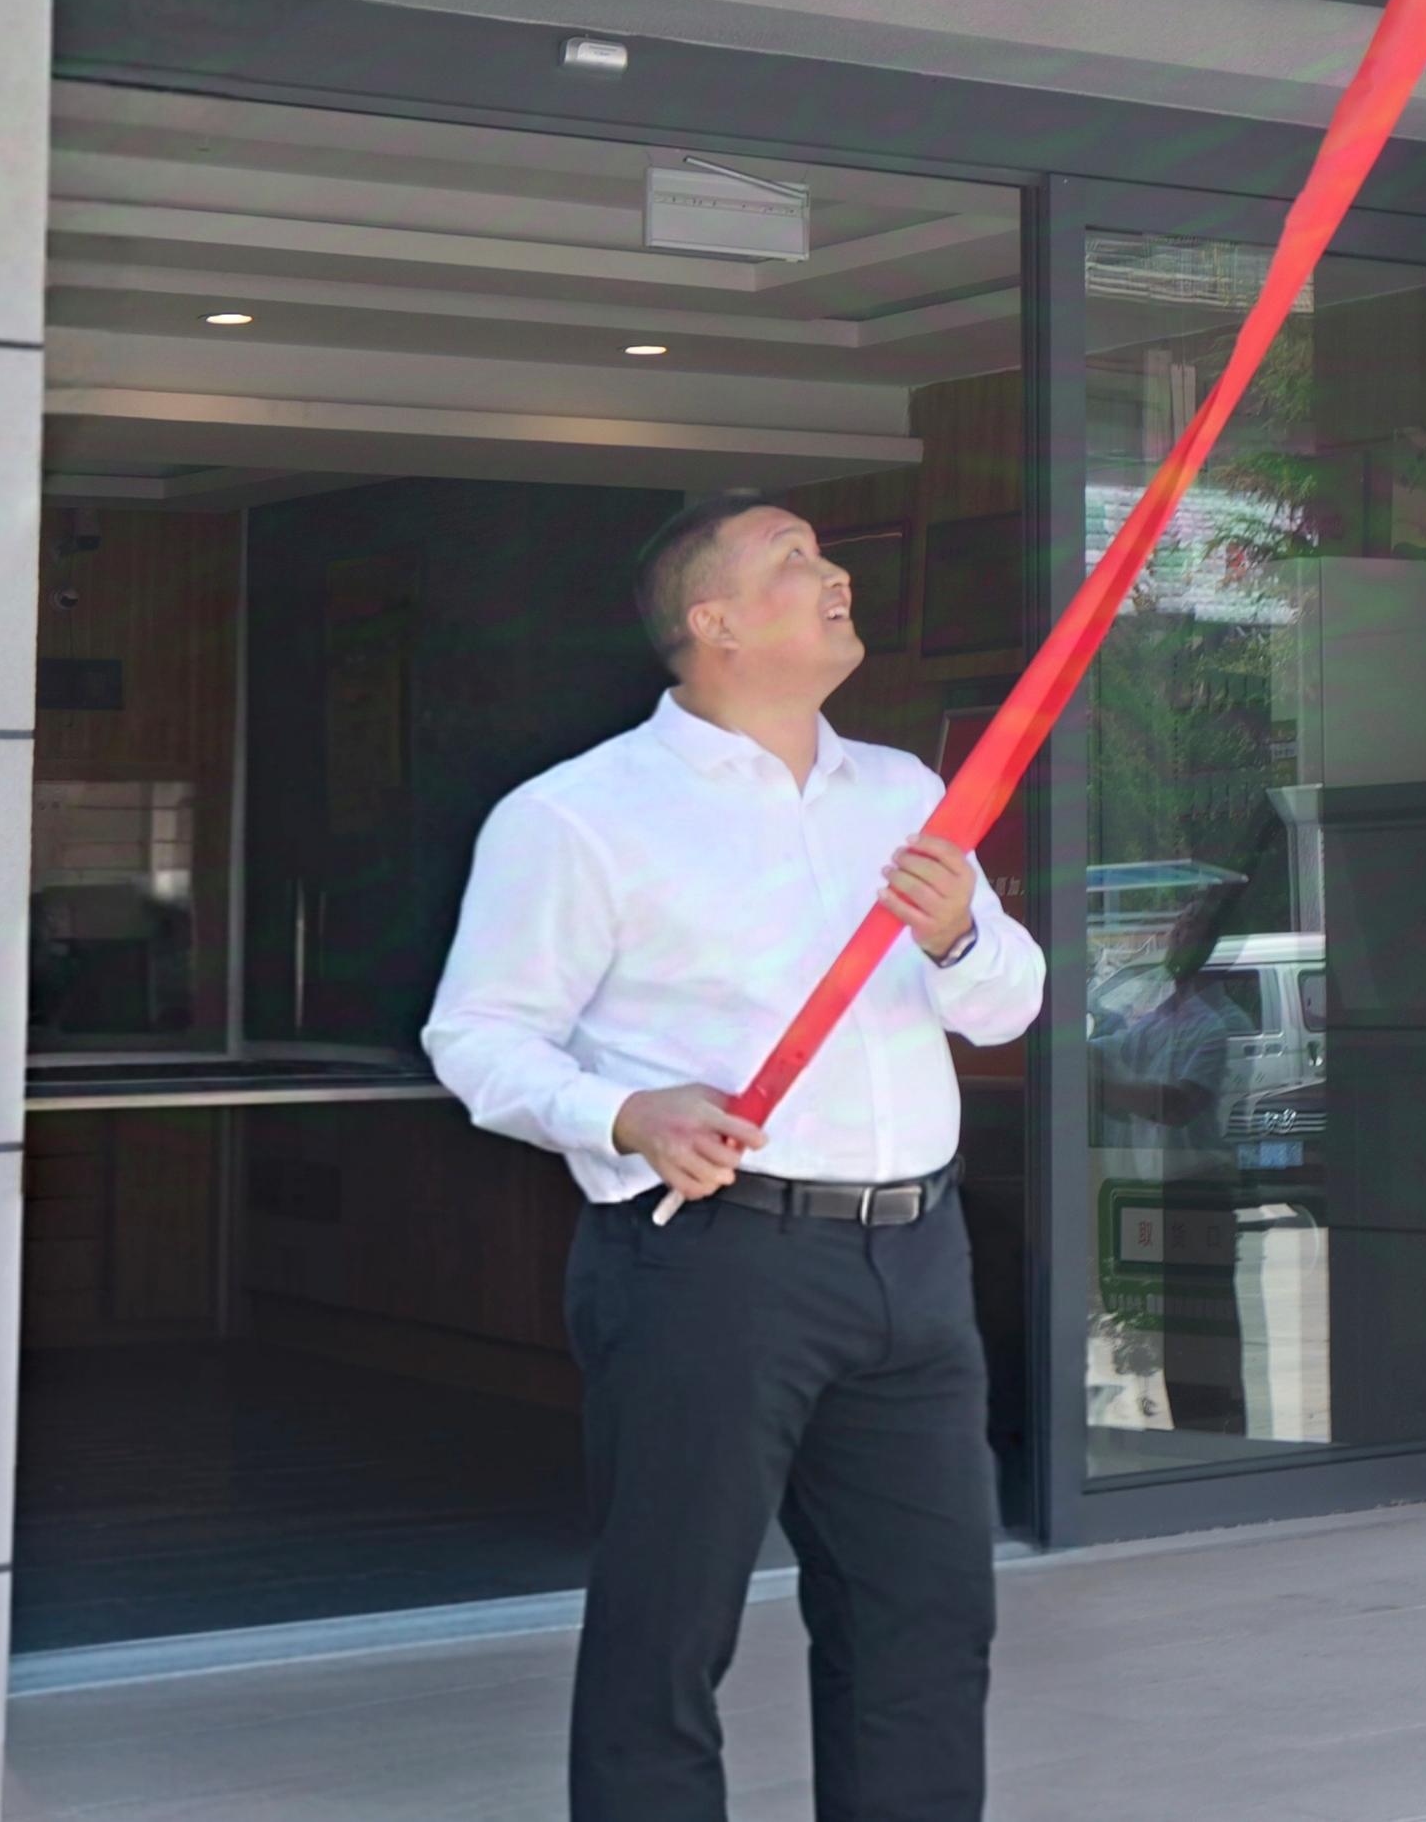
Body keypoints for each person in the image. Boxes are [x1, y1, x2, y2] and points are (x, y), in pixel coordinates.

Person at [428, 493, 1045, 1822]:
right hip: (712, 1259)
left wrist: (956, 935)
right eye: (793, 560)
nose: (835, 574)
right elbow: (477, 1036)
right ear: (712, 623)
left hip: (917, 1260)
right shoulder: (578, 814)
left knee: (927, 1624)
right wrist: (625, 1115)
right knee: (669, 1630)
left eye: (825, 552)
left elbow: (1006, 1006)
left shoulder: (906, 793)